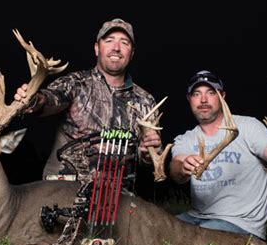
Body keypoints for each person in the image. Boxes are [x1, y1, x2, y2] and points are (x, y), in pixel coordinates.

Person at [14, 18, 162, 188]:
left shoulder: (145, 101)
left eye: (124, 42)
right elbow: (50, 99)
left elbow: (150, 156)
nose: (116, 47)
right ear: (97, 49)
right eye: (109, 41)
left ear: (132, 53)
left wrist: (149, 153)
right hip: (65, 191)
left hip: (117, 196)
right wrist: (33, 99)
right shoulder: (76, 83)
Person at [169, 70, 267, 240]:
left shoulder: (248, 127)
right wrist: (183, 166)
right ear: (189, 99)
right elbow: (176, 170)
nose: (203, 100)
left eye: (211, 93)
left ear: (222, 96)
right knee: (159, 230)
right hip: (197, 217)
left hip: (239, 223)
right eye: (197, 94)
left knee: (189, 242)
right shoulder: (186, 138)